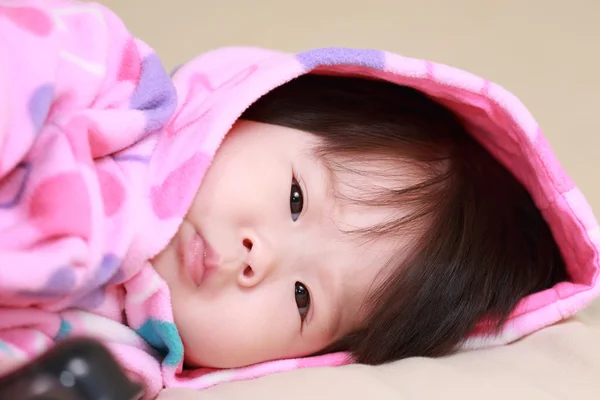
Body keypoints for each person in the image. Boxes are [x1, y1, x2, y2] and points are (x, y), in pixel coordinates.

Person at [0, 1, 598, 399]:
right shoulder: (99, 86)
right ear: (256, 107)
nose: (258, 257)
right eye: (294, 198)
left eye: (304, 298)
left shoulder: (122, 361)